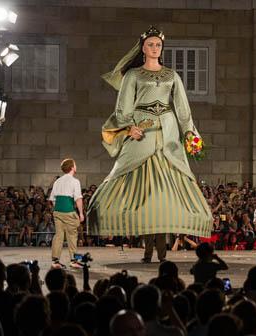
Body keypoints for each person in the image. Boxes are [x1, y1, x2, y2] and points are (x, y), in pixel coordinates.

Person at [86, 26, 213, 262]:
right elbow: (122, 108)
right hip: (141, 132)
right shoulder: (133, 75)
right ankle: (144, 248)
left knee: (164, 198)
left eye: (158, 45)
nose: (155, 48)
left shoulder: (172, 75)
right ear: (142, 48)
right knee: (137, 190)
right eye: (151, 44)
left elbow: (183, 110)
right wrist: (128, 127)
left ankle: (162, 252)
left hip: (168, 133)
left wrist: (190, 134)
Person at [49, 158, 84, 269]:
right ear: (72, 167)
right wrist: (81, 213)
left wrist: (58, 209)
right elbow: (78, 199)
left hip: (57, 211)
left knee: (58, 236)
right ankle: (74, 260)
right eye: (75, 165)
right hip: (68, 210)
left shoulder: (57, 181)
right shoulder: (75, 181)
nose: (76, 166)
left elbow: (53, 199)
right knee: (72, 235)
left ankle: (55, 261)